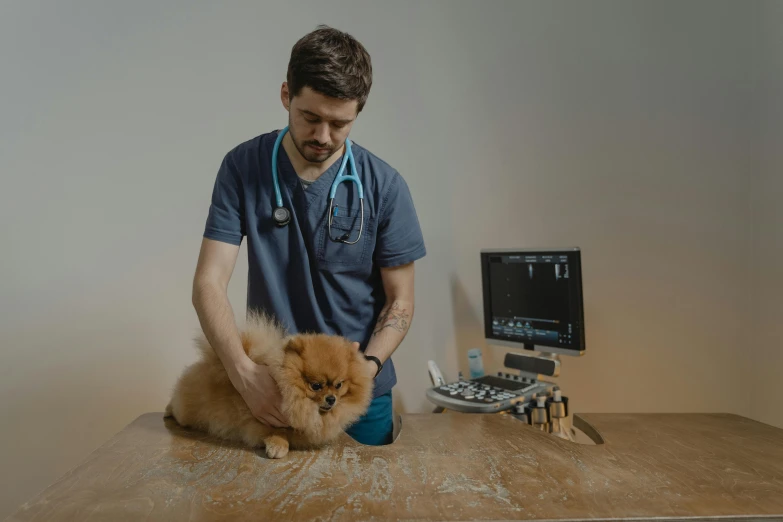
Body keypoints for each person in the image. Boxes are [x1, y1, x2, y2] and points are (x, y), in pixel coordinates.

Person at [191, 25, 426, 446]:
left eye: (339, 124)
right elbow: (208, 282)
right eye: (310, 117)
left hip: (358, 398)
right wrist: (244, 375)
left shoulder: (385, 186)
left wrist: (365, 370)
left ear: (358, 112)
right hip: (273, 390)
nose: (322, 136)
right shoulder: (243, 168)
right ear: (286, 95)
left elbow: (400, 300)